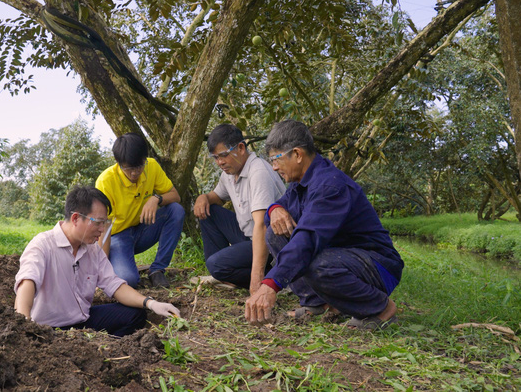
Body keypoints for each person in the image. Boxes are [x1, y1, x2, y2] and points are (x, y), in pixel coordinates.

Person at [245, 120, 404, 330]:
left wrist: (270, 285)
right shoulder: (299, 183)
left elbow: (307, 241)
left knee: (315, 262)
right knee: (277, 232)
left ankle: (381, 309)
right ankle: (318, 303)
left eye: (276, 159)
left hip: (378, 264)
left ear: (298, 154)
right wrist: (274, 209)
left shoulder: (330, 186)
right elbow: (277, 212)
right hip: (343, 255)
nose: (274, 167)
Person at [14, 186, 180, 337]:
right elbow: (27, 283)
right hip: (51, 330)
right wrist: (26, 328)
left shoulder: (92, 250)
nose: (102, 229)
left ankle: (105, 348)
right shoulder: (43, 245)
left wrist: (151, 304)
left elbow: (115, 285)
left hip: (83, 322)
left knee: (136, 314)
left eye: (105, 223)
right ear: (75, 218)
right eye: (98, 222)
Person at [193, 124, 286, 293]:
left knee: (216, 265)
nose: (220, 162)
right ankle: (224, 274)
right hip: (247, 237)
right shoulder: (229, 172)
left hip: (271, 245)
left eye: (224, 155)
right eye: (215, 157)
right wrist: (203, 198)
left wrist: (255, 279)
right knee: (208, 211)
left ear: (241, 148)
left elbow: (262, 226)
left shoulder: (258, 171)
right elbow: (217, 197)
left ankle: (272, 276)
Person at [95, 133, 185, 288]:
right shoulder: (105, 182)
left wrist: (156, 198)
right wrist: (100, 269)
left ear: (145, 159)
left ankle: (157, 270)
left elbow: (175, 196)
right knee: (128, 280)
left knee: (176, 210)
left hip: (143, 229)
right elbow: (104, 228)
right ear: (118, 163)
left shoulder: (152, 166)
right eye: (128, 168)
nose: (134, 173)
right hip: (118, 237)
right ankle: (116, 261)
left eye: (139, 166)